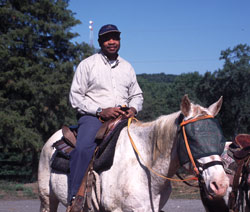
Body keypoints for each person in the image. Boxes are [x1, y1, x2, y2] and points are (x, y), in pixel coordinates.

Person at [68, 24, 143, 204]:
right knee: (83, 148)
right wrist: (101, 110)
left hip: (124, 117)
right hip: (94, 117)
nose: (112, 42)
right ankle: (74, 198)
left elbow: (137, 95)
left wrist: (133, 108)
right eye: (107, 39)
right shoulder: (87, 64)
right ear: (100, 42)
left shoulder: (127, 67)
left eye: (115, 38)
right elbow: (75, 97)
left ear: (119, 41)